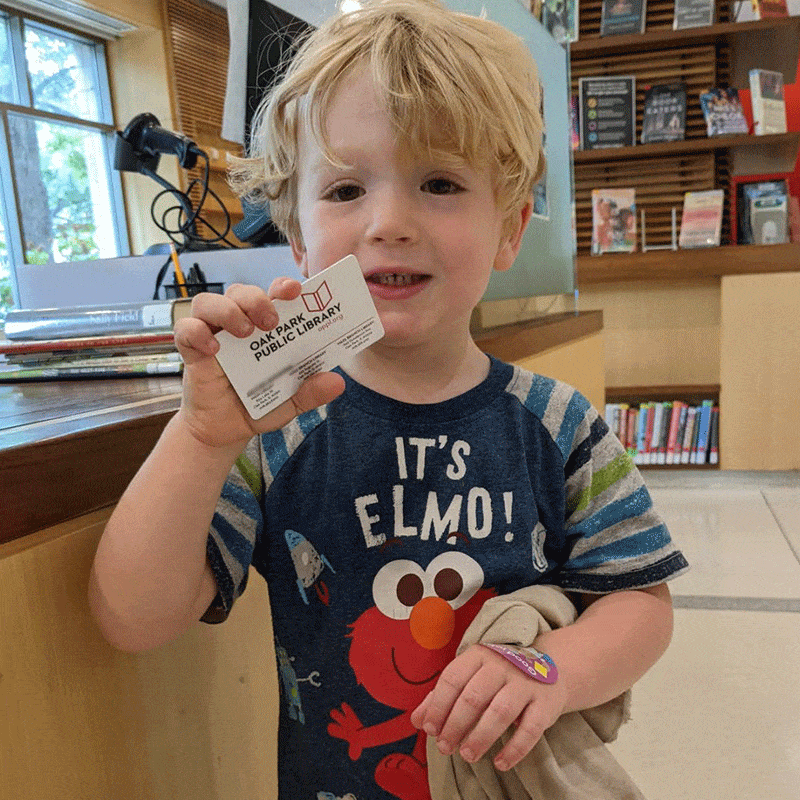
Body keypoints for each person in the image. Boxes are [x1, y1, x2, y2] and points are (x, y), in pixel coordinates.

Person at [88, 2, 689, 799]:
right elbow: (132, 617)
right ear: (297, 239)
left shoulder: (559, 424)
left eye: (440, 183)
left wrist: (553, 667)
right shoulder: (273, 430)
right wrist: (199, 439)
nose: (390, 222)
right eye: (344, 189)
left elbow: (640, 602)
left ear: (509, 228)